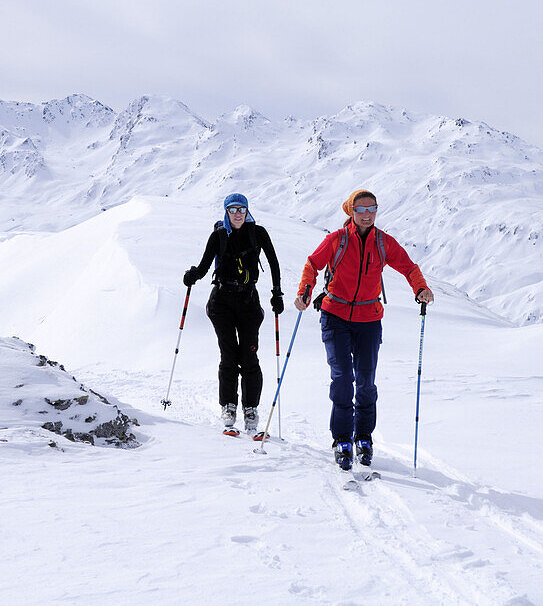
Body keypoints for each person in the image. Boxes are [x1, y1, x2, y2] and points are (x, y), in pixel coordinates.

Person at [294, 189, 433, 470]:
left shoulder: (383, 242)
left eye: (372, 209)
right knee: (343, 378)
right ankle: (342, 439)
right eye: (361, 209)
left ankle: (364, 438)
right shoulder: (337, 240)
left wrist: (420, 287)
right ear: (351, 211)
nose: (367, 214)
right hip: (336, 316)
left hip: (369, 318)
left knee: (366, 381)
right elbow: (313, 264)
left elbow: (408, 266)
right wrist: (305, 291)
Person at [184, 193, 283, 437]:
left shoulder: (258, 233)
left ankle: (250, 409)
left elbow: (273, 262)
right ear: (226, 212)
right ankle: (228, 407)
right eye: (232, 209)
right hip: (222, 301)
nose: (238, 213)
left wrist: (277, 292)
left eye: (241, 209)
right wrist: (193, 275)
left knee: (249, 354)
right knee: (229, 355)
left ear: (247, 211)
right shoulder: (218, 236)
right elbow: (205, 266)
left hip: (249, 300)